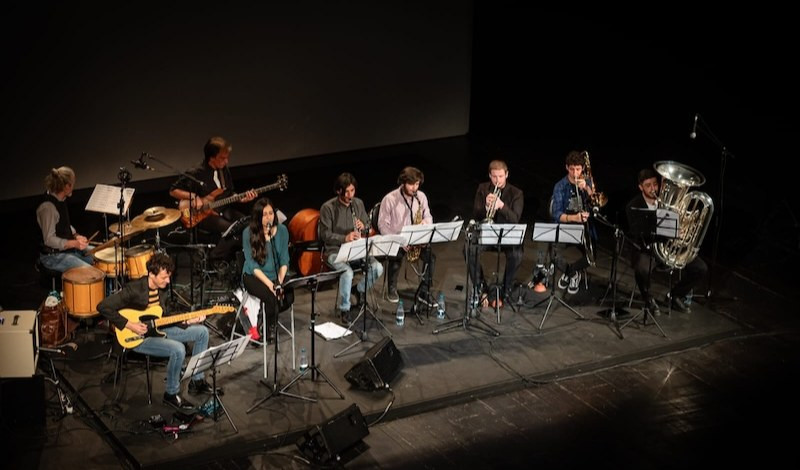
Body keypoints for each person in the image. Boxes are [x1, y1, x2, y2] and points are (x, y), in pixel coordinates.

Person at [97, 253, 215, 410]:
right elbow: (103, 306)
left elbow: (165, 317)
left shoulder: (162, 291)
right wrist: (129, 324)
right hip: (138, 337)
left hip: (159, 329)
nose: (168, 281)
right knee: (178, 349)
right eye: (164, 277)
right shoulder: (134, 289)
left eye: (169, 277)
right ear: (151, 274)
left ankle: (197, 381)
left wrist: (187, 321)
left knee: (202, 332)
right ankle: (171, 394)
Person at [625, 168, 708, 314]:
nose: (653, 189)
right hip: (648, 248)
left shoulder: (671, 202)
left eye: (655, 184)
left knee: (700, 268)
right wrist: (665, 232)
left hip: (669, 247)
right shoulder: (633, 205)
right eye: (648, 185)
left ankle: (676, 295)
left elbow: (682, 223)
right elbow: (636, 232)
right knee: (641, 269)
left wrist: (683, 231)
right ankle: (648, 298)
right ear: (640, 187)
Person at [169, 136, 257, 261]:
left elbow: (229, 193)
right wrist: (194, 197)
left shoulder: (224, 170)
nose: (226, 161)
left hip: (224, 209)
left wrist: (242, 198)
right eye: (223, 158)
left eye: (227, 157)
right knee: (232, 230)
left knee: (250, 223)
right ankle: (214, 257)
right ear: (212, 157)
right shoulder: (196, 172)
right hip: (204, 214)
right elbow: (173, 191)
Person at [319, 172, 384, 322]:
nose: (350, 195)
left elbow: (367, 225)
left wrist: (364, 226)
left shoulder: (358, 203)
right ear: (338, 191)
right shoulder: (328, 208)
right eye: (347, 191)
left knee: (377, 268)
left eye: (352, 191)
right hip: (335, 251)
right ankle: (344, 308)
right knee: (347, 273)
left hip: (357, 249)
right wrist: (344, 238)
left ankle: (358, 290)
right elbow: (325, 235)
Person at [466, 160, 524, 308]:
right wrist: (486, 206)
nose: (497, 180)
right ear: (490, 176)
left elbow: (515, 219)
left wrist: (501, 206)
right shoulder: (483, 188)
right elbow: (476, 214)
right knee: (470, 250)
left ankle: (506, 290)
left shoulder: (516, 193)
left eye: (501, 176)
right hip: (487, 233)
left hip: (507, 235)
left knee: (516, 255)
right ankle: (481, 289)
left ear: (507, 174)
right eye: (494, 176)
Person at [378, 167, 435, 304]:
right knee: (396, 257)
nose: (414, 188)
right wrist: (398, 240)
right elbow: (382, 225)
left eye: (417, 184)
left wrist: (425, 224)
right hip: (397, 239)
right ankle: (391, 288)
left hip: (416, 238)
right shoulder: (390, 199)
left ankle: (424, 291)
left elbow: (428, 215)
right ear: (403, 183)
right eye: (411, 184)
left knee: (431, 257)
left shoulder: (421, 197)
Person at [241, 198, 290, 341]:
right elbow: (252, 265)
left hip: (276, 275)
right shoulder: (248, 233)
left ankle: (268, 317)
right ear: (258, 217)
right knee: (271, 297)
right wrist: (271, 285)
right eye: (265, 214)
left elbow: (284, 260)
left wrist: (279, 282)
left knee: (288, 296)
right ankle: (270, 328)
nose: (269, 217)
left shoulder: (282, 231)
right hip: (254, 276)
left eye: (271, 213)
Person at [551, 150, 596, 294]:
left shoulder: (588, 182)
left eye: (578, 169)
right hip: (566, 225)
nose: (575, 173)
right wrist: (573, 218)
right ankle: (573, 274)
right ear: (566, 168)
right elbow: (557, 214)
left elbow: (596, 205)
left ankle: (572, 270)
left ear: (582, 168)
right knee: (554, 255)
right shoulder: (560, 186)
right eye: (572, 169)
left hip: (585, 226)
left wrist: (588, 190)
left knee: (592, 257)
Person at [36, 166, 95, 272]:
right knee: (90, 273)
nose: (73, 187)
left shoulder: (61, 199)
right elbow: (49, 239)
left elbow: (63, 224)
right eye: (72, 184)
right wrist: (74, 244)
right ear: (66, 186)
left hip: (67, 251)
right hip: (53, 256)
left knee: (99, 257)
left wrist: (76, 236)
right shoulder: (48, 207)